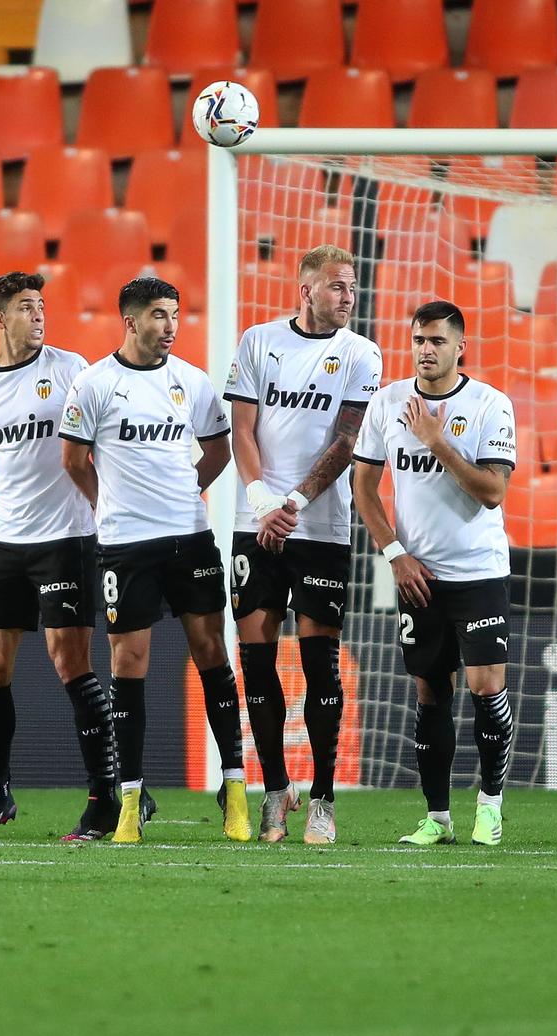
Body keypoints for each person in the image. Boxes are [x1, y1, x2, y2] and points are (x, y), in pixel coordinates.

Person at [60, 276, 247, 844]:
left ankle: (235, 793)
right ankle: (131, 801)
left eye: (176, 315)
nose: (170, 326)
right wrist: (110, 506)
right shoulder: (94, 384)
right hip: (124, 546)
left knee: (212, 652)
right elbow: (74, 460)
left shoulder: (190, 382)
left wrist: (187, 494)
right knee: (128, 664)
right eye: (160, 315)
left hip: (189, 539)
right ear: (132, 320)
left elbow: (220, 448)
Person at [0, 270, 121, 843]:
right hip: (6, 542)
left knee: (71, 664)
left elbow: (98, 443)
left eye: (43, 305)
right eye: (27, 307)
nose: (40, 314)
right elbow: (0, 458)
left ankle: (106, 795)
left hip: (67, 539)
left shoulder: (73, 370)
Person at [225, 245, 381, 844]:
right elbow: (241, 427)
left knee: (320, 666)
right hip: (255, 524)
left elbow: (346, 441)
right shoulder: (258, 342)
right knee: (257, 662)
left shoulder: (362, 353)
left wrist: (293, 503)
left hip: (319, 529)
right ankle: (274, 791)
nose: (348, 296)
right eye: (338, 286)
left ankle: (321, 797)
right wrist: (262, 500)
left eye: (353, 287)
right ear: (306, 287)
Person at [350, 301, 519, 847]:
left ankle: (490, 806)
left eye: (438, 341)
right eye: (419, 340)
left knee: (485, 686)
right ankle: (437, 817)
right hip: (417, 575)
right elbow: (363, 488)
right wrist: (394, 553)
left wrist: (437, 441)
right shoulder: (386, 405)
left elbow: (493, 492)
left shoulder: (491, 405)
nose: (426, 350)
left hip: (478, 571)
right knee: (429, 692)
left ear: (460, 347)